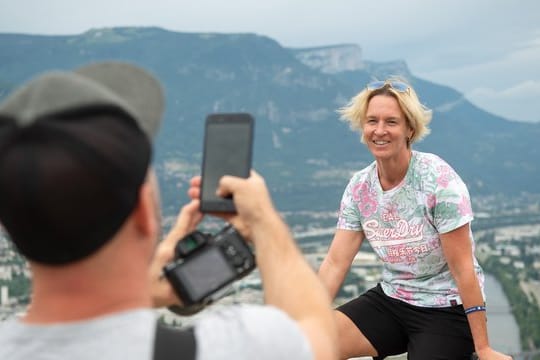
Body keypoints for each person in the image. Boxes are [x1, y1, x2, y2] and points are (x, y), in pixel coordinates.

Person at [0, 61, 338, 360]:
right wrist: (264, 222)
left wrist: (148, 292)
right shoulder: (236, 348)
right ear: (144, 214)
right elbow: (317, 332)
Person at [318, 78, 512, 360]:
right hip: (392, 300)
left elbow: (464, 270)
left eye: (391, 122)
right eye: (372, 121)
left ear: (410, 128)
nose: (380, 130)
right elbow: (335, 263)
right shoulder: (359, 188)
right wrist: (303, 321)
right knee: (312, 343)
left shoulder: (438, 180)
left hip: (445, 309)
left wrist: (483, 348)